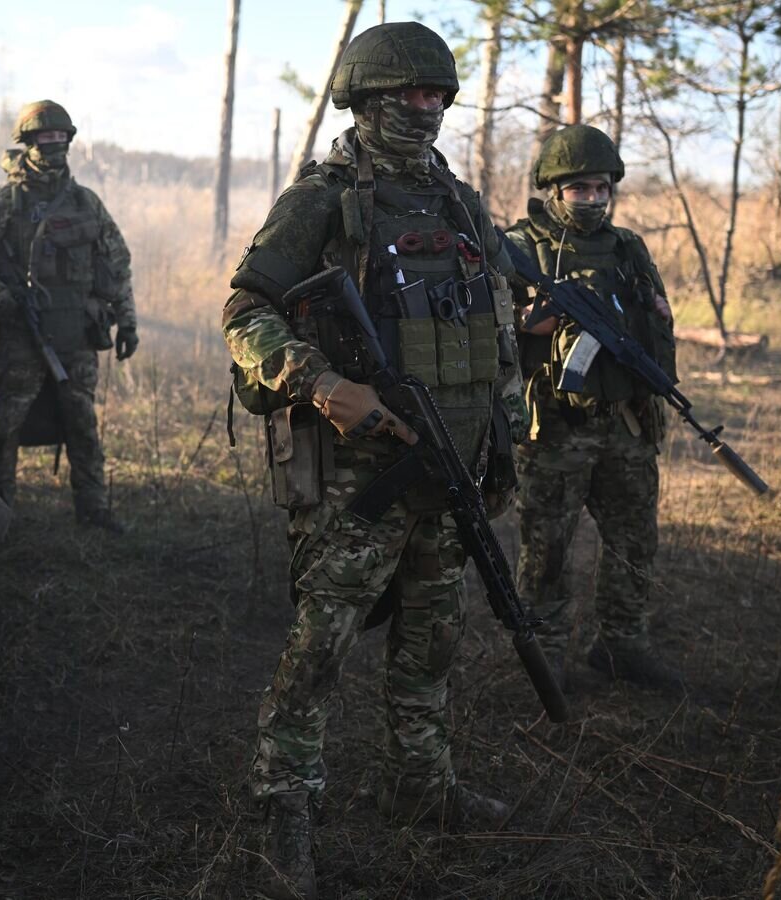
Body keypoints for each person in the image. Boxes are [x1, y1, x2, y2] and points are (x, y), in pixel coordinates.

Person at [223, 23, 520, 900]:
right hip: (362, 477)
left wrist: (500, 441)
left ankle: (420, 784)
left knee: (433, 639)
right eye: (408, 96)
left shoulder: (460, 204)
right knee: (322, 646)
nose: (424, 111)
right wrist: (319, 385)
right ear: (366, 100)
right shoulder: (322, 201)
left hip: (450, 468)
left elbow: (494, 330)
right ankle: (284, 808)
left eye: (436, 96)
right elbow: (245, 314)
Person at [505, 124, 682, 692]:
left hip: (626, 424)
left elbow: (652, 320)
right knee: (547, 549)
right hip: (556, 429)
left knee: (635, 541)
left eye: (603, 188)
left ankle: (621, 644)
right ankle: (545, 660)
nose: (594, 200)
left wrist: (654, 314)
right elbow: (481, 332)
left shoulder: (628, 247)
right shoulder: (520, 248)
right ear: (553, 191)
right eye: (580, 189)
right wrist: (529, 325)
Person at [0, 101, 138, 531]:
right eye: (44, 138)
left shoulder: (85, 203)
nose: (53, 145)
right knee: (5, 427)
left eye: (59, 138)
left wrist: (127, 322)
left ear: (68, 141)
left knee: (83, 426)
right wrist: (1, 296)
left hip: (77, 336)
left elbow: (117, 267)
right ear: (28, 143)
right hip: (20, 335)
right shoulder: (5, 201)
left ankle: (93, 512)